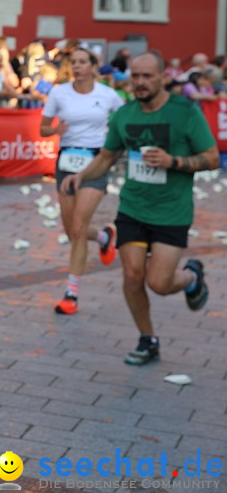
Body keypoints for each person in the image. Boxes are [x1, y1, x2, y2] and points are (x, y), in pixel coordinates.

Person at [62, 52, 216, 366]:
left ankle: (191, 277)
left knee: (159, 283)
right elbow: (107, 157)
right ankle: (148, 339)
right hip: (133, 207)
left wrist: (173, 161)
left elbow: (211, 158)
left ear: (163, 77)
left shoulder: (185, 112)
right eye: (135, 76)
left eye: (148, 76)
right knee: (132, 276)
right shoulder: (126, 114)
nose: (141, 82)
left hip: (172, 211)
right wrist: (81, 175)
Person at [40, 48, 124, 315]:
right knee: (72, 232)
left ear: (93, 66)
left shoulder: (107, 95)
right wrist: (55, 130)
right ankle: (103, 236)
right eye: (73, 62)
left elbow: (124, 123)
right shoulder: (59, 92)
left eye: (82, 62)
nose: (76, 66)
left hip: (95, 162)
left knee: (78, 226)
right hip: (66, 162)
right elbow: (42, 129)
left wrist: (114, 148)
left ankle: (71, 294)